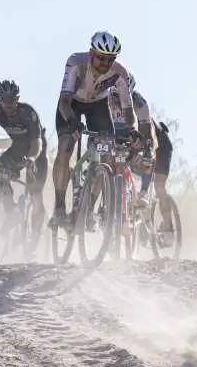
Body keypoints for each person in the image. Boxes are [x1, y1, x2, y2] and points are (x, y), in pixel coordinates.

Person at [51, 30, 137, 226]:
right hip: (71, 103)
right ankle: (59, 208)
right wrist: (72, 121)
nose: (105, 64)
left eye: (110, 59)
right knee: (65, 146)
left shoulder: (120, 72)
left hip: (98, 106)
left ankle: (88, 210)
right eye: (101, 59)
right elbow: (64, 101)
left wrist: (132, 129)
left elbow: (127, 108)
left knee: (105, 154)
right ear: (91, 54)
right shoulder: (76, 62)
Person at [0, 79, 49, 232]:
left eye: (12, 100)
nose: (9, 104)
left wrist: (32, 158)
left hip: (36, 150)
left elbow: (37, 140)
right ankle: (11, 212)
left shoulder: (28, 112)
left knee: (35, 194)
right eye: (4, 101)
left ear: (17, 99)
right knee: (0, 169)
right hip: (18, 148)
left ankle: (36, 236)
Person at [114, 73, 176, 242]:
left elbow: (150, 141)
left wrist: (144, 155)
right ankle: (137, 214)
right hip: (135, 142)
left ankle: (169, 227)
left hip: (159, 144)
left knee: (159, 186)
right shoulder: (109, 102)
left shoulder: (139, 103)